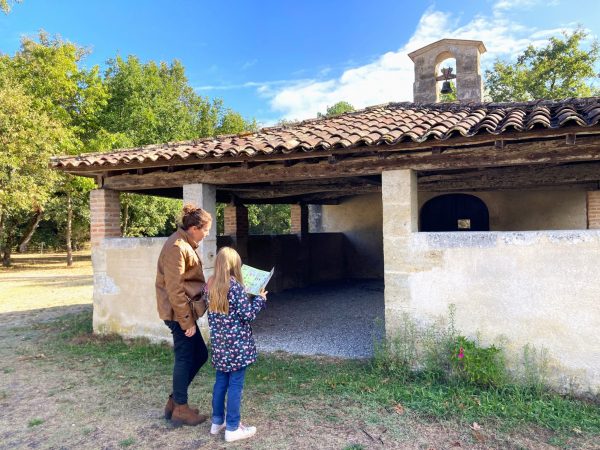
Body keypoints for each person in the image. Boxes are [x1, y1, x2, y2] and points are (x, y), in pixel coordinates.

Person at [155, 204, 212, 427]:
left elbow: (186, 281)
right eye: (206, 229)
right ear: (195, 228)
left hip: (182, 312)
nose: (207, 233)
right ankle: (180, 409)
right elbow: (174, 288)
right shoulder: (177, 247)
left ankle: (175, 402)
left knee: (199, 354)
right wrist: (186, 321)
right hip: (178, 314)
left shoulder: (185, 243)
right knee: (187, 357)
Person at [205, 247, 267, 443]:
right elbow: (247, 315)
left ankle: (217, 422)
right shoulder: (235, 286)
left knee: (221, 382)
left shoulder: (211, 285)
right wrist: (260, 299)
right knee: (235, 386)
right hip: (238, 347)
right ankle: (232, 427)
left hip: (220, 346)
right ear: (234, 265)